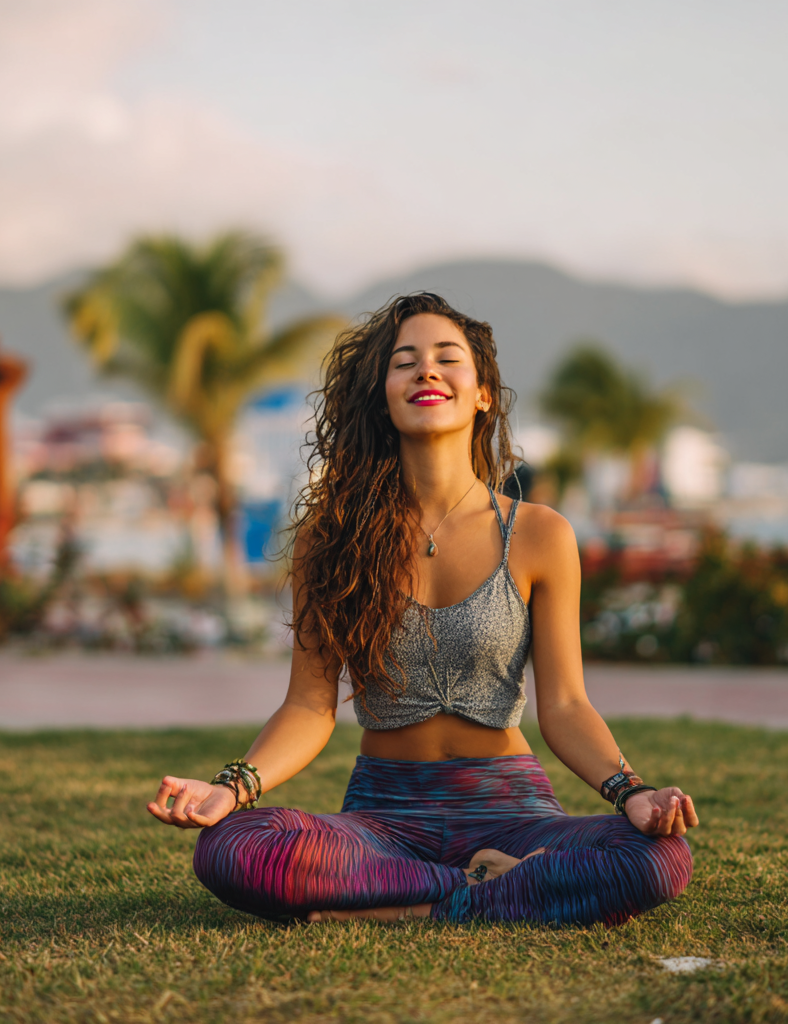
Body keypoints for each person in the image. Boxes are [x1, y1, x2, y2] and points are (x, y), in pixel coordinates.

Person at [147, 292, 697, 926]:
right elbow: (308, 706)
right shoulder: (331, 536)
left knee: (658, 857)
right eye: (404, 361)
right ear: (383, 393)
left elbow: (567, 705)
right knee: (232, 847)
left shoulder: (541, 533)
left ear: (483, 391)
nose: (426, 371)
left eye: (446, 358)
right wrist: (231, 788)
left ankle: (391, 904)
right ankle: (491, 892)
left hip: (512, 810)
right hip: (383, 818)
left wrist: (633, 794)